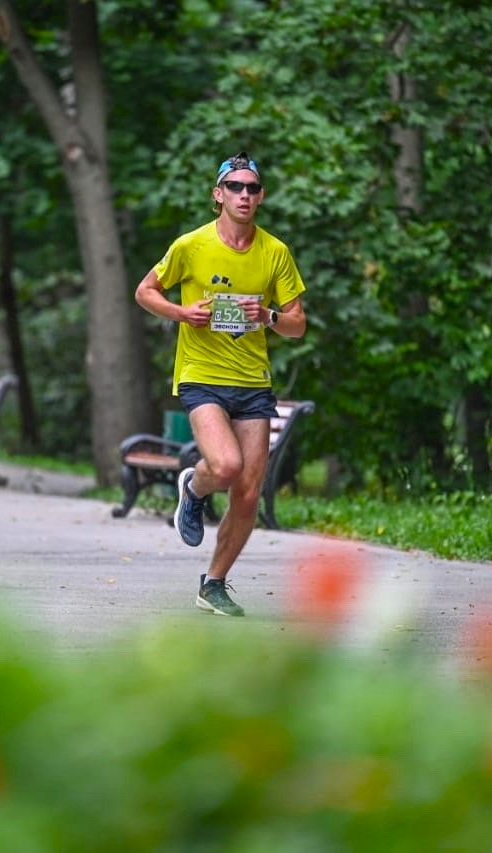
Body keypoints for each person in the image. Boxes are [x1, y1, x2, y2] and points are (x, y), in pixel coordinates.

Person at [134, 151, 307, 617]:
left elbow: (297, 324)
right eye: (235, 187)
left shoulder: (275, 252)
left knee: (249, 491)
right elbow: (145, 291)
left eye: (252, 188)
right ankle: (193, 488)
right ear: (218, 195)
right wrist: (181, 313)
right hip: (202, 376)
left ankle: (214, 583)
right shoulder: (190, 245)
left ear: (261, 196)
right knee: (226, 466)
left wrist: (269, 316)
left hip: (253, 382)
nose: (244, 195)